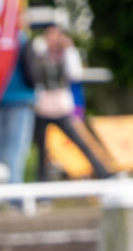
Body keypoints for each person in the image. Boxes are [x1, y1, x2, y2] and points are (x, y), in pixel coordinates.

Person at [26, 23, 111, 180]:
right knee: (42, 150)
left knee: (80, 142)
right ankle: (42, 184)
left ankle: (102, 172)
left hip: (60, 107)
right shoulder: (39, 53)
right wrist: (44, 45)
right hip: (41, 108)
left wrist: (69, 50)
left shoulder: (64, 54)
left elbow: (75, 74)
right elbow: (33, 63)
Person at [0, 26, 37, 183]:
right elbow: (32, 72)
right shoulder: (22, 39)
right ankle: (14, 190)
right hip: (21, 97)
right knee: (16, 146)